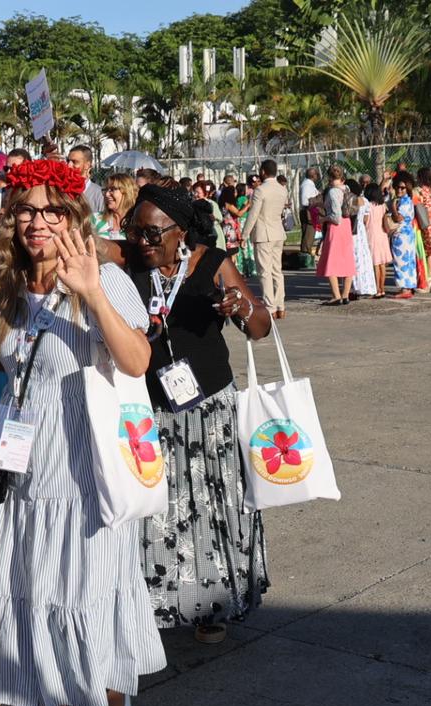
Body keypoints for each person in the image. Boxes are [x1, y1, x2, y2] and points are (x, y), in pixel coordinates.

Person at [0, 159, 164, 706]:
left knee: (83, 587)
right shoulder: (4, 285)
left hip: (82, 469)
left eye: (51, 210)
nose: (38, 222)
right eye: (26, 211)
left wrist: (88, 293)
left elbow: (137, 361)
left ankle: (112, 692)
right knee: (31, 593)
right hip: (20, 470)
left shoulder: (105, 277)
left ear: (73, 216)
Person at [102, 184, 273, 641]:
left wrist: (242, 306)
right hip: (149, 411)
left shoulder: (212, 263)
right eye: (137, 231)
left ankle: (212, 603)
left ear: (181, 233)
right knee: (157, 509)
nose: (144, 241)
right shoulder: (128, 260)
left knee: (211, 507)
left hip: (209, 408)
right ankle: (155, 602)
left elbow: (260, 327)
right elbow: (83, 242)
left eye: (154, 233)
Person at [241, 159, 288, 319]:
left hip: (263, 233)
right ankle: (281, 305)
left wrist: (244, 234)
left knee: (264, 272)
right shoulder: (282, 189)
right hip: (278, 233)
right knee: (277, 271)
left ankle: (270, 306)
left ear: (262, 172)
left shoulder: (261, 190)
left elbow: (253, 214)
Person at [316, 166, 356, 305]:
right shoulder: (347, 189)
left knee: (331, 261)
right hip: (347, 226)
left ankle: (336, 295)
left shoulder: (333, 192)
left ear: (329, 177)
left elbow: (336, 216)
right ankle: (345, 294)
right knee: (347, 259)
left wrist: (323, 219)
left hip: (336, 227)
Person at [389, 172, 419, 298]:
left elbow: (398, 218)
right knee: (408, 262)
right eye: (397, 187)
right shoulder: (406, 200)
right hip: (407, 234)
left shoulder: (404, 202)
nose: (399, 190)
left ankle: (405, 289)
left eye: (402, 188)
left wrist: (393, 207)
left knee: (401, 262)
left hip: (402, 235)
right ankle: (408, 287)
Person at [348, 181, 377, 298]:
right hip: (361, 231)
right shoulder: (365, 201)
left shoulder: (350, 200)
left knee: (353, 258)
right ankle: (366, 286)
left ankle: (354, 288)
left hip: (352, 230)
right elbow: (366, 219)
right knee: (363, 258)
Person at [364, 184, 390, 298]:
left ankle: (376, 289)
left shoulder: (368, 206)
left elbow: (365, 221)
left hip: (371, 235)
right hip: (382, 235)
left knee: (375, 263)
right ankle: (382, 288)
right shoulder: (383, 205)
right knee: (382, 264)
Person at [92, 173, 137, 240]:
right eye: (105, 190)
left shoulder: (136, 222)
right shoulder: (95, 219)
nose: (106, 194)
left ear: (127, 192)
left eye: (112, 189)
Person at [66, 144, 105, 213]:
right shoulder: (63, 191)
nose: (69, 165)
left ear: (87, 165)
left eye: (75, 162)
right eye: (68, 161)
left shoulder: (99, 195)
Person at [192, 179, 225, 249]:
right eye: (194, 192)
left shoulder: (211, 203)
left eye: (198, 192)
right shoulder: (193, 204)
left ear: (205, 193)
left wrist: (213, 218)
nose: (195, 195)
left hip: (213, 234)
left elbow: (220, 218)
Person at [298, 167, 320, 254]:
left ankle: (306, 252)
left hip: (310, 212)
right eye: (317, 175)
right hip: (308, 212)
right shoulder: (307, 185)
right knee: (308, 235)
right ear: (313, 175)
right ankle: (305, 254)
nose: (317, 177)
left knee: (309, 235)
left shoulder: (309, 184)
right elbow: (305, 201)